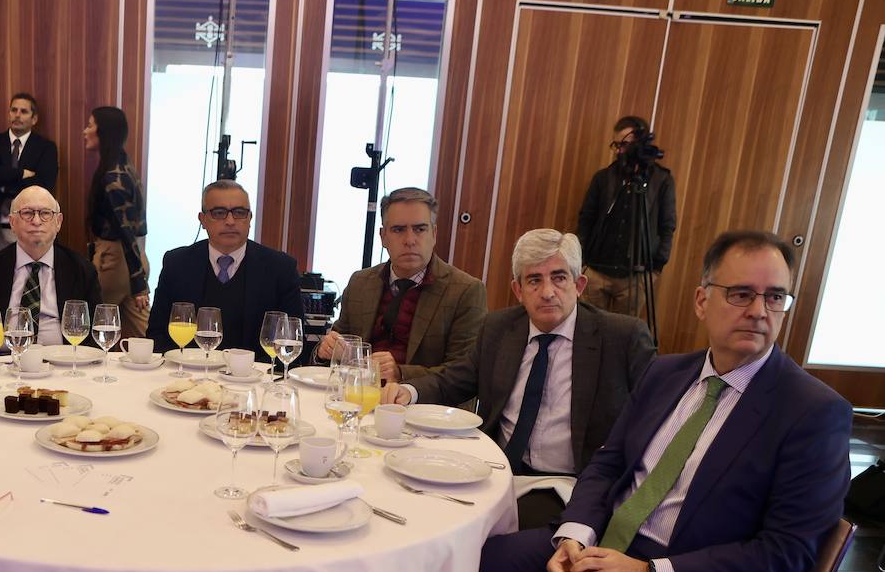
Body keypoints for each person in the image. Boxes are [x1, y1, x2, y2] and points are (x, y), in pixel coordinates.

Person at [471, 231, 851, 572]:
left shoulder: (812, 412)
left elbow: (785, 553)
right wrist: (575, 535)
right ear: (702, 300)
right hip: (607, 546)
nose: (759, 310)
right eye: (740, 294)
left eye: (774, 296)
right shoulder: (669, 374)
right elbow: (608, 462)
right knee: (474, 567)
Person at [383, 229, 655, 528]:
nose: (548, 291)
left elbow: (654, 419)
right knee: (411, 510)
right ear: (518, 289)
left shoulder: (621, 337)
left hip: (567, 484)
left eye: (559, 277)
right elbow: (457, 378)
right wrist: (409, 391)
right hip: (494, 470)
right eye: (534, 280)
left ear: (579, 285)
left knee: (491, 546)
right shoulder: (500, 327)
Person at [316, 187, 485, 384]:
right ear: (383, 237)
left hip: (422, 407)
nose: (410, 240)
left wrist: (401, 373)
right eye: (398, 230)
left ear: (434, 234)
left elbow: (464, 373)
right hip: (357, 397)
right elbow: (337, 348)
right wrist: (325, 351)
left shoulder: (465, 291)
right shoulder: (360, 283)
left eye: (420, 229)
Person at [144, 179, 303, 357]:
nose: (230, 221)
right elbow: (157, 336)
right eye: (219, 213)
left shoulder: (281, 268)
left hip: (253, 378)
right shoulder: (177, 263)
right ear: (202, 220)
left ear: (250, 218)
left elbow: (292, 342)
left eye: (239, 213)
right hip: (190, 375)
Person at [0, 186, 102, 345]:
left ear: (58, 222)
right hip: (2, 363)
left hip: (64, 363)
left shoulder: (82, 270)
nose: (37, 221)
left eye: (45, 213)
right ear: (12, 222)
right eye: (27, 213)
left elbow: (97, 331)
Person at [576, 115, 677, 317]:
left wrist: (656, 267)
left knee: (623, 335)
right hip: (596, 271)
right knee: (587, 329)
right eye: (616, 144)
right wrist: (582, 260)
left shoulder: (662, 180)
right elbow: (586, 218)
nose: (619, 150)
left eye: (624, 144)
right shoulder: (604, 178)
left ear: (640, 144)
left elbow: (667, 225)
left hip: (636, 276)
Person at [84, 107, 150, 339]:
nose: (85, 131)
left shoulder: (113, 175)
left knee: (90, 328)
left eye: (90, 125)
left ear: (104, 132)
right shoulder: (123, 165)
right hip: (135, 261)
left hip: (116, 262)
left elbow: (126, 232)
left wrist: (139, 283)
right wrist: (138, 278)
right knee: (142, 335)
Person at [0, 92, 60, 254]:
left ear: (34, 119)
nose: (17, 115)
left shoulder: (46, 148)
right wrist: (21, 173)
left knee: (29, 277)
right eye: (14, 110)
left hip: (31, 228)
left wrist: (0, 180)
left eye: (24, 111)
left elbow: (44, 184)